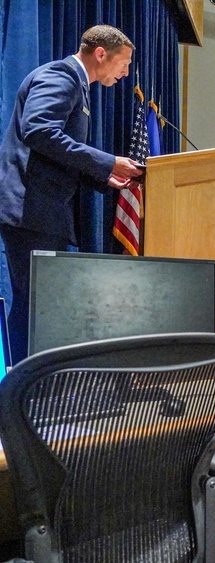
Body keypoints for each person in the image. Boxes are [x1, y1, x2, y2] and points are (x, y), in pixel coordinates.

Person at [0, 25, 143, 364]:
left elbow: (58, 150)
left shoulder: (76, 84)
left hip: (40, 211)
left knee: (38, 302)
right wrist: (106, 161)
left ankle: (31, 384)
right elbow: (39, 131)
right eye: (123, 64)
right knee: (34, 302)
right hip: (30, 209)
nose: (125, 73)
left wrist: (105, 176)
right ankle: (25, 389)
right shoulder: (61, 76)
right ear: (100, 54)